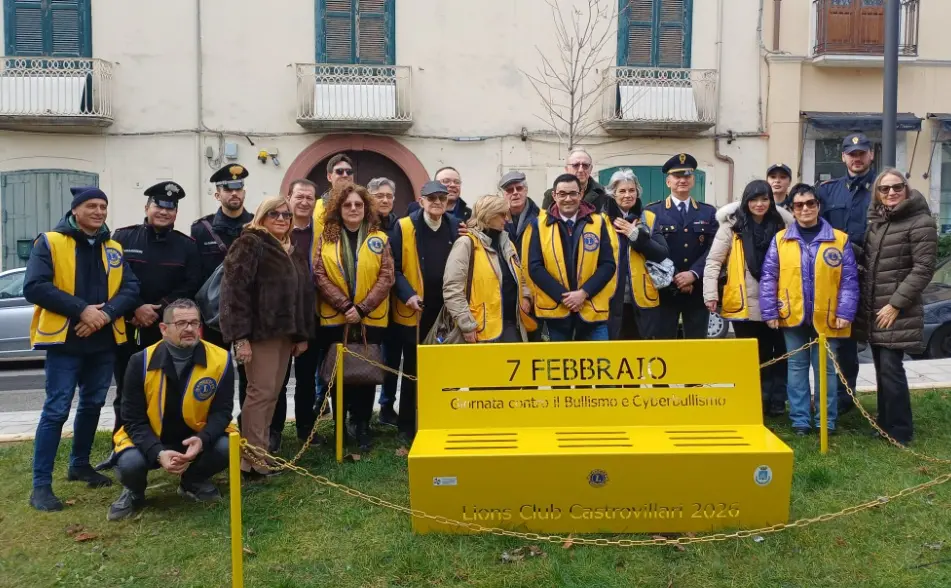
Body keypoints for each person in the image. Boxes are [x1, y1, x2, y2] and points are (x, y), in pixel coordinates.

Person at [23, 186, 140, 511]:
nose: (99, 211)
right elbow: (35, 286)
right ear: (75, 210)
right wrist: (82, 310)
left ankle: (79, 464)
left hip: (102, 341)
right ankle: (41, 486)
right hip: (65, 341)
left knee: (91, 405)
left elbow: (131, 288)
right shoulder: (50, 241)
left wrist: (103, 315)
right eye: (91, 206)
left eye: (103, 206)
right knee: (57, 409)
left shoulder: (113, 247)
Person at [95, 181, 203, 472]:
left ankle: (168, 444)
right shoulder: (123, 238)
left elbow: (191, 284)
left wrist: (159, 310)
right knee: (126, 392)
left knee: (170, 388)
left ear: (176, 213)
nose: (164, 212)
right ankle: (122, 447)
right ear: (147, 208)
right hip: (128, 326)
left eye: (171, 208)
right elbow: (112, 279)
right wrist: (135, 308)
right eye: (159, 206)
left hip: (166, 330)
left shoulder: (186, 245)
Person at [107, 299, 235, 520]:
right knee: (130, 464)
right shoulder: (140, 361)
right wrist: (158, 452)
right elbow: (132, 419)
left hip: (193, 437)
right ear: (164, 329)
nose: (189, 329)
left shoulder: (221, 359)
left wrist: (202, 440)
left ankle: (192, 482)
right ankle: (134, 492)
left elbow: (222, 412)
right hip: (150, 438)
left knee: (228, 446)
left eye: (194, 323)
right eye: (181, 323)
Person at [219, 197, 315, 480]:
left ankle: (257, 457)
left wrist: (301, 335)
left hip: (285, 334)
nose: (282, 218)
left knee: (271, 394)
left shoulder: (290, 249)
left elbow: (301, 296)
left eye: (286, 215)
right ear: (262, 216)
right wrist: (240, 338)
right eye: (275, 213)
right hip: (259, 334)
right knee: (259, 394)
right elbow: (234, 293)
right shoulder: (250, 243)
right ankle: (251, 461)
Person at [760, 184, 859, 435]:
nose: (805, 209)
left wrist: (845, 313)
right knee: (796, 369)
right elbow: (769, 276)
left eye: (810, 204)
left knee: (826, 370)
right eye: (799, 205)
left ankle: (826, 419)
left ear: (818, 206)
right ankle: (800, 420)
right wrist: (770, 311)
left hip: (827, 318)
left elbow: (848, 280)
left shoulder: (839, 239)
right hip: (792, 315)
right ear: (792, 209)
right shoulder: (781, 240)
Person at [855, 170, 937, 445]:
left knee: (892, 369)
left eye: (897, 187)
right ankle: (884, 424)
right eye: (885, 189)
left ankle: (900, 431)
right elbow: (869, 260)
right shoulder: (879, 222)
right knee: (882, 369)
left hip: (896, 310)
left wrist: (895, 304)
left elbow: (923, 269)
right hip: (875, 309)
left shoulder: (920, 221)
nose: (891, 193)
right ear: (878, 193)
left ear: (906, 188)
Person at [314, 184, 395, 450]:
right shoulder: (325, 238)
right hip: (336, 319)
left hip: (370, 319)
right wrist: (345, 305)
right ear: (339, 207)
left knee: (366, 372)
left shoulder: (379, 238)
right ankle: (340, 425)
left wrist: (361, 309)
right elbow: (319, 275)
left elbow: (386, 277)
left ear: (366, 208)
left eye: (358, 205)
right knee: (339, 374)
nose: (353, 209)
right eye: (347, 204)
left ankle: (362, 425)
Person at [703, 180, 794, 416]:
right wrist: (710, 293)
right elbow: (714, 261)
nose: (759, 204)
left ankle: (776, 401)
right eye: (754, 199)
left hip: (778, 299)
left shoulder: (783, 225)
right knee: (752, 355)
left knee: (780, 352)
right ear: (746, 201)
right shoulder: (732, 226)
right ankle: (754, 400)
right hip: (744, 301)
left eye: (764, 199)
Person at [390, 180, 462, 442]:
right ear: (421, 201)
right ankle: (407, 428)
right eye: (431, 198)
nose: (437, 203)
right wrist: (408, 295)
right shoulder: (404, 226)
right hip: (416, 311)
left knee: (446, 371)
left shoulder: (456, 226)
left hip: (447, 312)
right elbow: (394, 269)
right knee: (412, 370)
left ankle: (442, 419)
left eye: (441, 199)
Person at [817, 133, 876, 415]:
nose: (857, 158)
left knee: (852, 343)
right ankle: (826, 399)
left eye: (862, 153)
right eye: (851, 153)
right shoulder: (827, 191)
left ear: (871, 155)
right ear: (843, 157)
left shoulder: (882, 190)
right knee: (829, 340)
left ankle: (845, 400)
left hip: (868, 276)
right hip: (831, 278)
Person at [528, 173, 616, 341]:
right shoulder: (539, 225)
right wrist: (564, 297)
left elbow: (608, 264)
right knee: (559, 366)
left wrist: (584, 293)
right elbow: (535, 267)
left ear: (581, 194)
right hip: (556, 317)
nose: (568, 199)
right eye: (562, 194)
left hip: (593, 313)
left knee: (599, 365)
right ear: (554, 195)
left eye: (572, 193)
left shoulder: (598, 223)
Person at [269, 179, 323, 448]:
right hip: (279, 319)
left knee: (306, 376)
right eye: (299, 196)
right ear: (289, 197)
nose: (304, 202)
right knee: (278, 378)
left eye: (309, 198)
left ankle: (306, 428)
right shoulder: (277, 231)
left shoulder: (322, 231)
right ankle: (274, 431)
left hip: (310, 315)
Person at [642, 154, 718, 340]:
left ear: (693, 180)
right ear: (668, 181)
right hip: (665, 290)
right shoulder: (652, 212)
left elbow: (713, 249)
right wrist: (676, 276)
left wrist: (693, 274)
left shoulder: (708, 212)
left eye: (687, 176)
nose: (682, 180)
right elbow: (649, 249)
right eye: (677, 176)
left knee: (696, 346)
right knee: (664, 346)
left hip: (697, 289)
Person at [444, 195, 532, 343]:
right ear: (488, 215)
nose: (507, 219)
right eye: (502, 214)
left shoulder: (506, 243)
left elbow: (520, 275)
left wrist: (526, 297)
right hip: (479, 328)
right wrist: (467, 325)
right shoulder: (466, 243)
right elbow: (452, 288)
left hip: (511, 324)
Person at [602, 169, 669, 340]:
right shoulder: (600, 220)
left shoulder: (649, 218)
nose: (627, 195)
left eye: (631, 190)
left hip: (642, 297)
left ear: (637, 192)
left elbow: (662, 253)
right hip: (609, 297)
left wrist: (636, 236)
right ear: (612, 193)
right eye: (622, 191)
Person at [368, 177, 400, 425]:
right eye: (380, 195)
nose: (385, 200)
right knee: (365, 358)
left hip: (395, 304)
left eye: (389, 196)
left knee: (390, 359)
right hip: (367, 305)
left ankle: (387, 407)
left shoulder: (399, 226)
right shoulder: (362, 224)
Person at [500, 171, 542, 341]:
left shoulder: (542, 218)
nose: (515, 192)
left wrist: (528, 295)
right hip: (505, 295)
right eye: (509, 190)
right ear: (503, 195)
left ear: (526, 190)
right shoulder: (495, 219)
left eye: (519, 188)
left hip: (537, 293)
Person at [542, 149, 607, 210]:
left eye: (585, 165)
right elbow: (545, 220)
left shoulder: (604, 194)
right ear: (566, 169)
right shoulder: (551, 195)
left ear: (591, 169)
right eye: (576, 165)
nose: (581, 170)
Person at [314, 154, 356, 235]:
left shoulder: (365, 203)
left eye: (349, 172)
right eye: (339, 171)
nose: (345, 175)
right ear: (329, 177)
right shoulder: (315, 206)